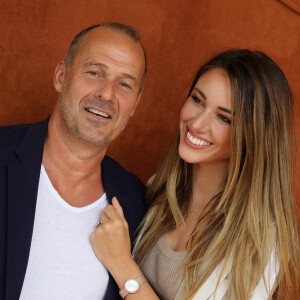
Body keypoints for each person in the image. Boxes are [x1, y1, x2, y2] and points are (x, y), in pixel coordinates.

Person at [91, 49, 300, 299]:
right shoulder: (158, 189)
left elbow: (122, 267)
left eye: (224, 118)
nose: (197, 123)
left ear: (252, 138)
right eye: (198, 100)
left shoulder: (261, 244)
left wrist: (122, 266)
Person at [0, 23, 147, 300]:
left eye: (124, 84)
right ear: (61, 76)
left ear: (136, 104)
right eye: (94, 73)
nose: (106, 94)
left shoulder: (138, 204)